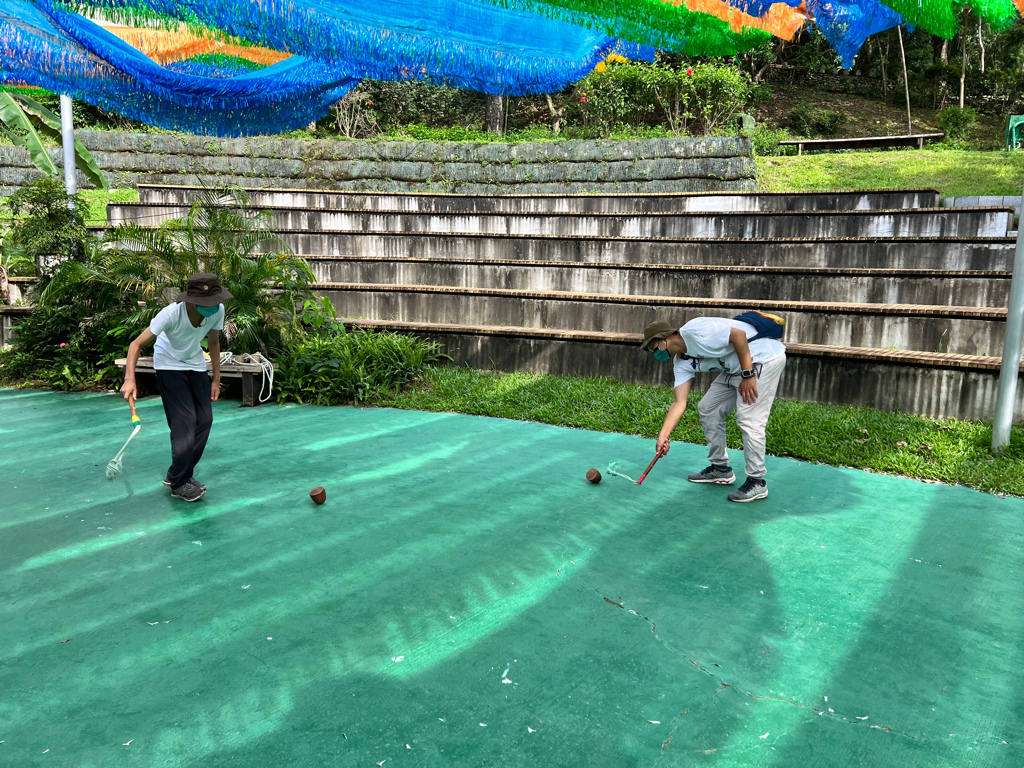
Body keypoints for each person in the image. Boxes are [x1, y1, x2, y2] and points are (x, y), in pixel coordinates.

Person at [641, 315, 786, 503]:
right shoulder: (681, 362)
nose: (655, 355)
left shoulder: (696, 331)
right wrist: (663, 436)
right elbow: (679, 401)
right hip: (734, 368)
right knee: (708, 408)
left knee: (749, 419)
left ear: (664, 339)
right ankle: (720, 469)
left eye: (654, 349)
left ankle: (757, 481)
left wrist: (748, 375)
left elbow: (739, 336)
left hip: (762, 359)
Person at [120, 273, 231, 502]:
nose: (212, 306)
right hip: (168, 363)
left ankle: (176, 472)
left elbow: (213, 342)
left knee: (205, 420)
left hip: (195, 363)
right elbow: (136, 344)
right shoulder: (171, 313)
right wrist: (130, 379)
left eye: (214, 301)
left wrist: (215, 379)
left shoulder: (217, 310)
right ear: (190, 300)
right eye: (205, 302)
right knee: (185, 422)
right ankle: (180, 483)